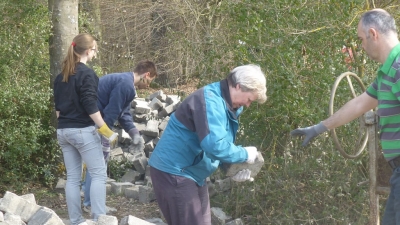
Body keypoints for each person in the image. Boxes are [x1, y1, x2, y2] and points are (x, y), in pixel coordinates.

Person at [290, 9, 400, 225]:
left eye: (361, 40)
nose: (361, 46)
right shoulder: (387, 72)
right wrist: (320, 127)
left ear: (373, 34)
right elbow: (359, 103)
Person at [148, 64, 268, 225]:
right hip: (174, 172)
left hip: (193, 172)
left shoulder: (229, 106)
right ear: (239, 86)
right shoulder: (210, 102)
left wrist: (234, 169)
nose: (248, 105)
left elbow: (219, 145)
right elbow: (214, 145)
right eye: (249, 100)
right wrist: (245, 154)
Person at [54, 34, 118, 225]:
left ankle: (75, 221)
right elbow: (90, 105)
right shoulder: (88, 74)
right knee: (98, 174)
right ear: (89, 51)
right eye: (95, 50)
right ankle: (99, 219)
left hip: (63, 131)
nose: (94, 53)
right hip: (82, 131)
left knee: (72, 178)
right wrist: (105, 129)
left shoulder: (60, 77)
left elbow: (58, 111)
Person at [82, 60, 158, 213]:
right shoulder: (125, 84)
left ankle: (90, 203)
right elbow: (111, 113)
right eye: (150, 81)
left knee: (96, 166)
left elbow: (124, 114)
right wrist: (106, 135)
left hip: (95, 122)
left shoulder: (126, 82)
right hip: (95, 123)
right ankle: (93, 205)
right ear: (146, 74)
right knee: (99, 167)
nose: (149, 85)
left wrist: (134, 133)